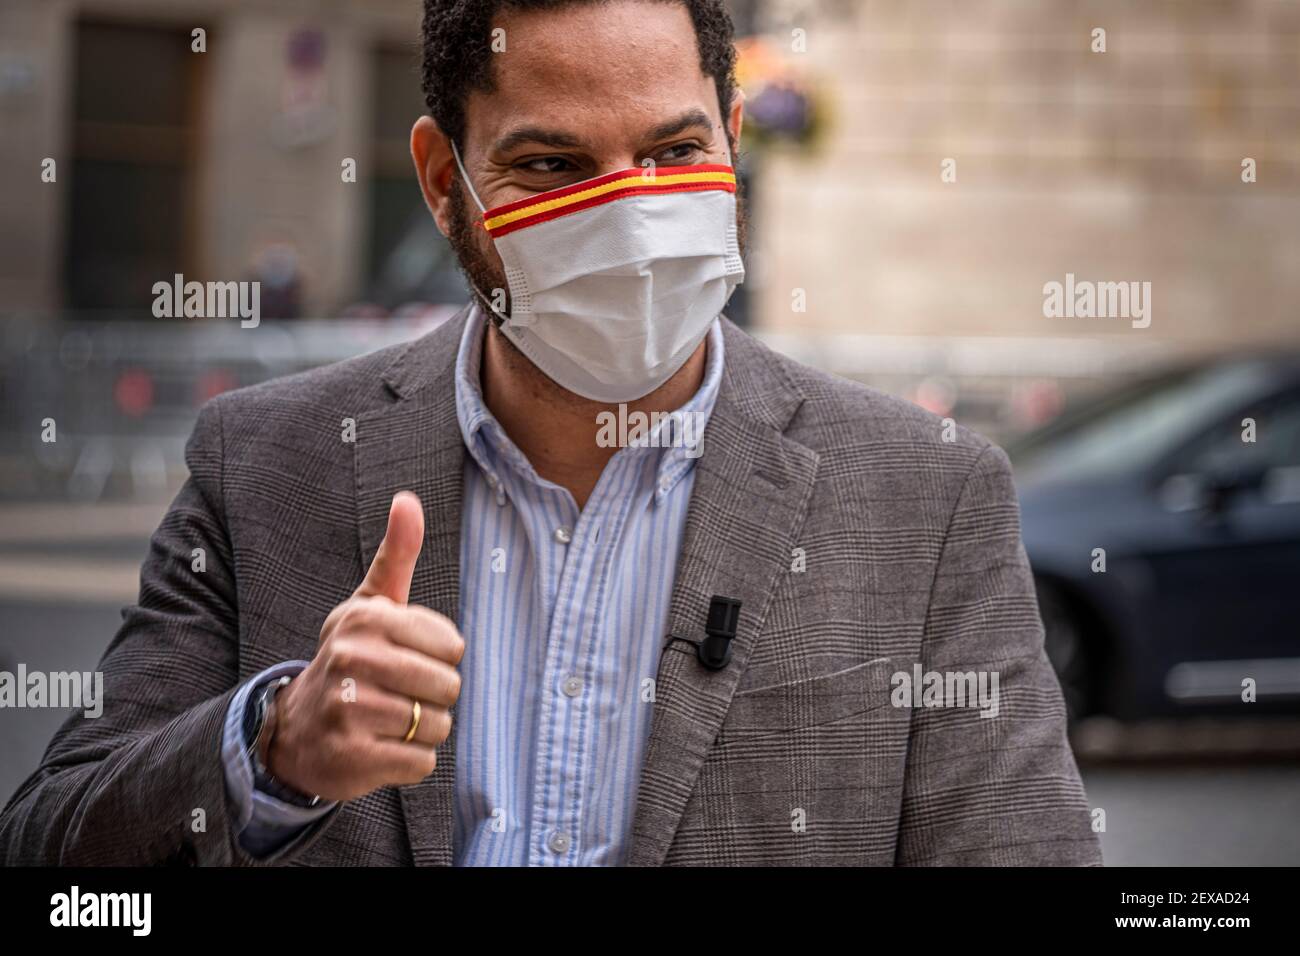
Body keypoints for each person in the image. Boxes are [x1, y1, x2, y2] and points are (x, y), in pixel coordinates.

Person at [0, 0, 1100, 866]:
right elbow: (55, 848)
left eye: (674, 152)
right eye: (552, 166)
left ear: (731, 132)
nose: (629, 217)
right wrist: (271, 747)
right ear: (445, 184)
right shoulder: (265, 464)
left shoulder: (923, 497)